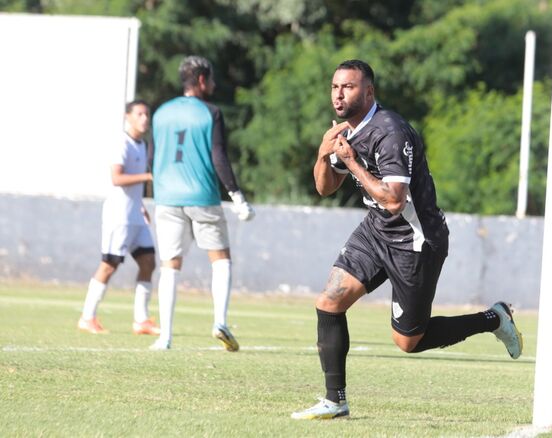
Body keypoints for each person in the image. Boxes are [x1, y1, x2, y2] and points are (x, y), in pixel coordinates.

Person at [291, 60, 523, 420]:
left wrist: (352, 163)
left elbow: (395, 201)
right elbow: (324, 187)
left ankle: (493, 319)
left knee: (407, 342)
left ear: (368, 91)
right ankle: (335, 401)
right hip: (376, 230)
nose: (339, 94)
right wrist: (324, 153)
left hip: (415, 240)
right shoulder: (345, 132)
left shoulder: (390, 132)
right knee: (329, 302)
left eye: (348, 87)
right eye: (335, 87)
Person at [148, 55, 255, 351]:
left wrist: (150, 196)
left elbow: (152, 158)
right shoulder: (211, 112)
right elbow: (218, 155)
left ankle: (165, 336)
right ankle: (220, 320)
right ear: (202, 80)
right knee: (220, 260)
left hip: (166, 197)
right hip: (202, 196)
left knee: (170, 265)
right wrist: (236, 195)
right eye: (212, 79)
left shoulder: (160, 113)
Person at [78, 100, 160, 336]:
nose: (145, 118)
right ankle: (87, 316)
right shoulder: (121, 142)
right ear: (128, 117)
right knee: (109, 265)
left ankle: (141, 320)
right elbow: (117, 178)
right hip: (119, 216)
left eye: (147, 114)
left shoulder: (142, 145)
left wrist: (142, 206)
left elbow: (135, 184)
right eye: (140, 114)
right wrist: (148, 176)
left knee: (148, 262)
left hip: (135, 214)